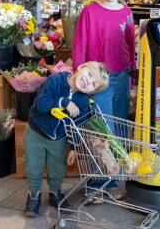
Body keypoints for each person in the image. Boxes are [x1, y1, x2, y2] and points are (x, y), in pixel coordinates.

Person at [72, 0, 135, 201]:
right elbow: (80, 47)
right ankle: (98, 184)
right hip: (98, 82)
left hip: (121, 77)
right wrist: (81, 79)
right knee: (100, 130)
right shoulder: (89, 11)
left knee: (118, 128)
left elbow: (130, 46)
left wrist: (131, 78)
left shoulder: (127, 13)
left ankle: (114, 178)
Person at [23, 61, 110, 217]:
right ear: (81, 67)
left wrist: (74, 148)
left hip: (59, 138)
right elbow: (41, 105)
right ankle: (33, 194)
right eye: (89, 74)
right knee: (33, 166)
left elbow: (78, 126)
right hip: (36, 131)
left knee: (58, 166)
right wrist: (64, 102)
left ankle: (55, 192)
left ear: (93, 91)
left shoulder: (82, 100)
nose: (87, 81)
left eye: (93, 84)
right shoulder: (54, 80)